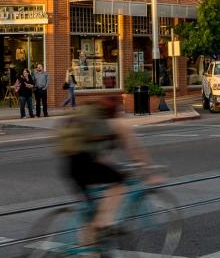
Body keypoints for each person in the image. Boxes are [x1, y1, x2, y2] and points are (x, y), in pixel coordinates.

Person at [57, 96, 156, 249]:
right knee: (119, 183)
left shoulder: (93, 119)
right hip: (84, 162)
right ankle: (105, 222)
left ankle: (87, 251)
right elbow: (135, 150)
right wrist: (150, 172)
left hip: (69, 163)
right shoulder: (116, 123)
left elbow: (101, 157)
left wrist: (114, 166)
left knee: (90, 213)